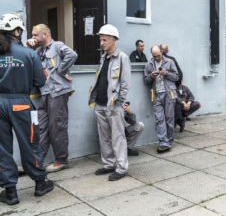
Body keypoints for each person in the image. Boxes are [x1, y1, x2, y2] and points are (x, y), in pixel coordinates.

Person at [0, 14, 53, 206]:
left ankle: (10, 192)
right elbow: (40, 81)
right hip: (22, 104)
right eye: (20, 31)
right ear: (16, 31)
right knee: (31, 143)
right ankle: (40, 184)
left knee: (2, 149)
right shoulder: (28, 53)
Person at [23, 24, 78, 173]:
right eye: (32, 35)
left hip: (58, 92)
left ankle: (61, 160)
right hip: (44, 93)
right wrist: (27, 46)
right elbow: (26, 62)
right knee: (40, 128)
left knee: (57, 126)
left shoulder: (58, 46)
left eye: (35, 35)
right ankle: (36, 160)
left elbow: (72, 55)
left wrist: (61, 70)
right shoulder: (38, 51)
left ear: (45, 35)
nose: (33, 37)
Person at [88, 24, 131, 181]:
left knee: (118, 137)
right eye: (101, 40)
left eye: (105, 40)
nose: (102, 43)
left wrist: (119, 102)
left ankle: (121, 168)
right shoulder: (103, 58)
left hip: (113, 105)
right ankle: (109, 164)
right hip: (100, 103)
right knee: (104, 136)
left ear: (113, 40)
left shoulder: (122, 58)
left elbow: (125, 84)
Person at [144, 45, 179, 153]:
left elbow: (176, 77)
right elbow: (146, 80)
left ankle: (169, 141)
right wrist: (151, 76)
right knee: (159, 119)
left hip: (169, 94)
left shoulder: (170, 62)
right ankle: (163, 143)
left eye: (158, 56)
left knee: (169, 119)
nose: (157, 58)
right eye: (154, 57)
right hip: (156, 95)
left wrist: (166, 73)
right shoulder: (149, 64)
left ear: (162, 52)